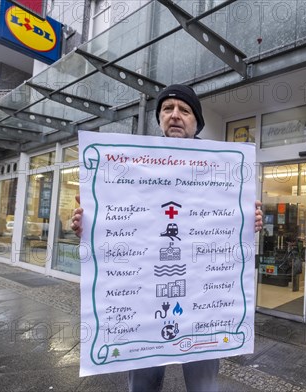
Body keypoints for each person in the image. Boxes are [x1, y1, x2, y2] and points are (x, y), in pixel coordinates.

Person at [71, 84, 263, 392]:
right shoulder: (132, 163)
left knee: (204, 386)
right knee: (142, 385)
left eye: (184, 110)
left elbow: (228, 227)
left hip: (203, 304)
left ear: (197, 122)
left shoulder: (220, 168)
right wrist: (90, 227)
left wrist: (246, 223)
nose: (175, 115)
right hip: (143, 300)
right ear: (159, 119)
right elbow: (118, 221)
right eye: (167, 109)